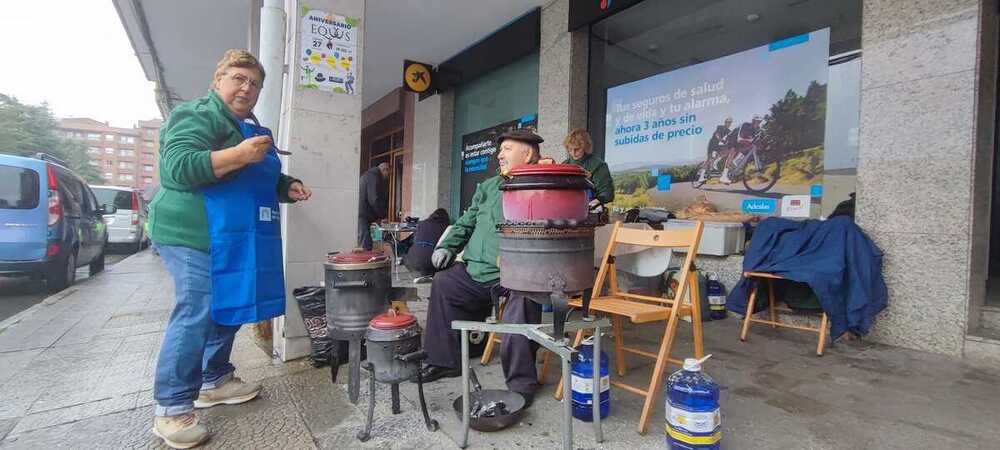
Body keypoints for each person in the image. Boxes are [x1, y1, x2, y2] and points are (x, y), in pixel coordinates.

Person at [147, 49, 312, 449]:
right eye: (238, 78)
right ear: (217, 80)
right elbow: (178, 168)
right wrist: (240, 153)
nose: (247, 87)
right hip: (191, 232)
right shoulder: (196, 115)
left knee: (231, 303)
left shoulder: (245, 125)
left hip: (232, 235)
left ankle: (213, 378)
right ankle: (170, 407)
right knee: (199, 308)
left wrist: (284, 186)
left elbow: (253, 173)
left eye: (254, 83)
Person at [416, 129, 546, 407]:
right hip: (478, 269)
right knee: (444, 282)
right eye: (500, 150)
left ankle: (522, 383)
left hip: (520, 272)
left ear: (529, 153)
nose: (500, 154)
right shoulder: (487, 186)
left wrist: (550, 170)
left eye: (508, 148)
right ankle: (444, 360)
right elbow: (466, 222)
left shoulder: (542, 181)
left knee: (523, 301)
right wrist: (447, 247)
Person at [562, 128, 614, 206]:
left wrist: (596, 201)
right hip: (567, 207)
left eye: (577, 149)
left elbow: (607, 193)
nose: (573, 153)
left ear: (585, 147)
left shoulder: (598, 165)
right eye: (570, 149)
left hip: (590, 208)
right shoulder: (564, 165)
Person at [402, 208, 450, 276]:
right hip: (432, 263)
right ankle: (428, 273)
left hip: (411, 262)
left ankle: (423, 273)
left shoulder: (421, 223)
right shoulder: (446, 227)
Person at [720, 115, 763, 184]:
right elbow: (740, 139)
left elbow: (754, 140)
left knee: (748, 149)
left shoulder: (756, 129)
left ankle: (734, 166)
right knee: (733, 151)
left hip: (741, 142)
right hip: (733, 138)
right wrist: (751, 141)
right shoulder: (746, 125)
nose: (758, 123)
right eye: (757, 121)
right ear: (753, 121)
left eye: (760, 122)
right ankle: (723, 176)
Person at [357, 162, 389, 250]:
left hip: (361, 214)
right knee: (365, 245)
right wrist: (382, 216)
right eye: (387, 174)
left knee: (364, 242)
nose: (386, 177)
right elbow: (374, 199)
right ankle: (365, 263)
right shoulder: (374, 177)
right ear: (384, 170)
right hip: (363, 216)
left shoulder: (367, 175)